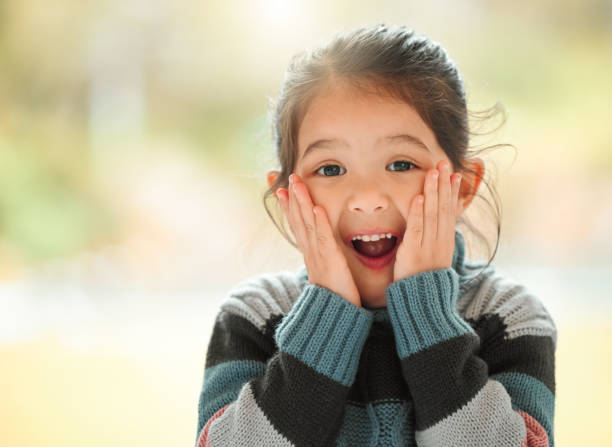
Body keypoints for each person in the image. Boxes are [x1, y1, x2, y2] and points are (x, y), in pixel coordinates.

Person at [195, 24, 557, 446]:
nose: (367, 199)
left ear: (462, 186)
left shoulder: (507, 316)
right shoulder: (255, 316)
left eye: (401, 164)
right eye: (330, 169)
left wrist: (426, 310)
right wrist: (327, 312)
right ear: (287, 198)